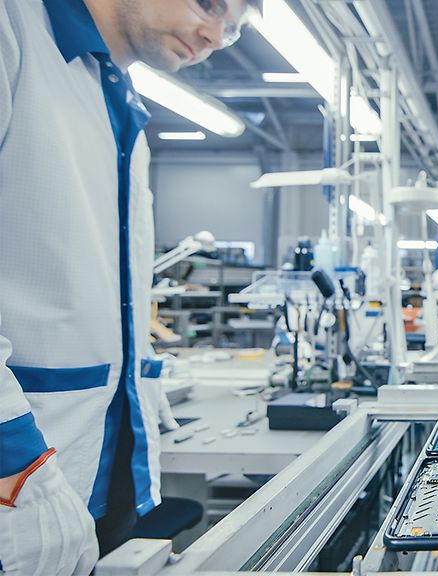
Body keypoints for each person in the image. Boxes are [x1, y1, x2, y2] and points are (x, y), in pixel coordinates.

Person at [0, 1, 260, 574]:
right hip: (17, 468)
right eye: (209, 4)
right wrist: (9, 450)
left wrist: (136, 383)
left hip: (94, 470)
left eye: (237, 28)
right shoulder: (14, 29)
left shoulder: (119, 103)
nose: (216, 35)